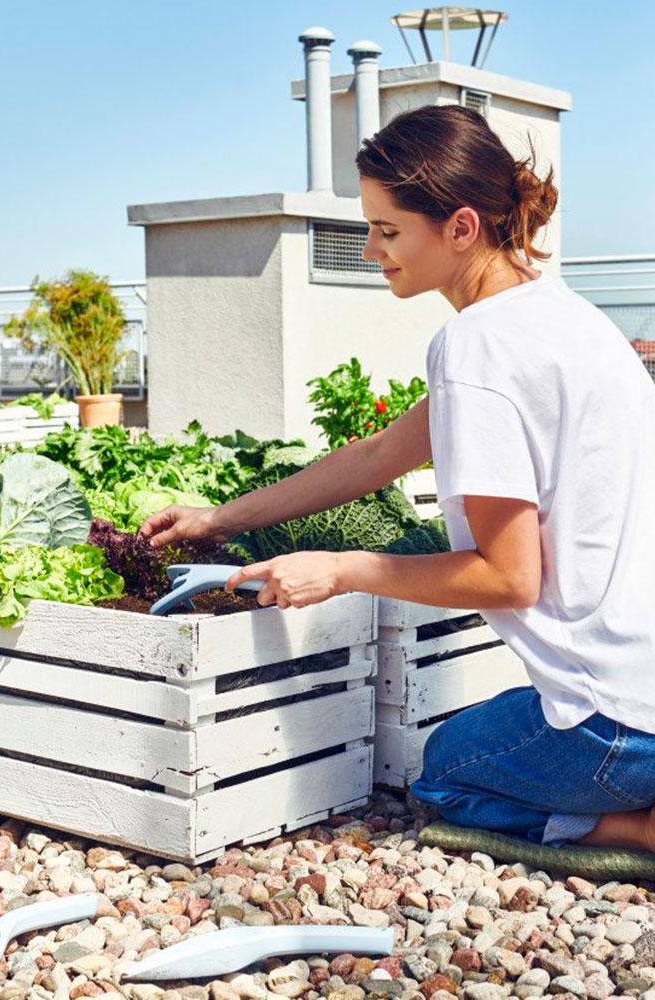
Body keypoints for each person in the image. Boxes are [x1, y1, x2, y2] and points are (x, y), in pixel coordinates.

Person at [139, 104, 655, 855]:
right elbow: (381, 454)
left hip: (623, 724)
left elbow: (510, 579)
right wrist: (220, 517)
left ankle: (637, 827)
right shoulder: (558, 313)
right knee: (506, 724)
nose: (371, 250)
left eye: (387, 230)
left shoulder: (478, 348)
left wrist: (344, 570)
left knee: (446, 774)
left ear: (461, 227)